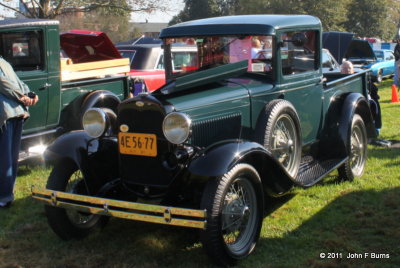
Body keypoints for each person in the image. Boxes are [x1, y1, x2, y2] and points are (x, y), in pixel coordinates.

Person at [0, 56, 38, 208]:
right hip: (11, 113)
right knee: (8, 157)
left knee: (7, 158)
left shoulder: (3, 61)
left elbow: (11, 82)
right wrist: (26, 96)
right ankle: (7, 195)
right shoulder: (3, 61)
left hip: (10, 113)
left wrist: (29, 95)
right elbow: (7, 83)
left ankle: (5, 197)